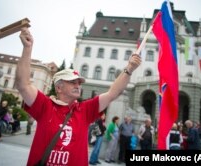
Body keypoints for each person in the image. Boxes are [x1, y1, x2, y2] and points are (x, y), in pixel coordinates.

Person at [16, 27, 141, 166]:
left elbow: (112, 93)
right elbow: (23, 85)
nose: (78, 85)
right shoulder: (45, 105)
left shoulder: (85, 109)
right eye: (72, 82)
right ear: (58, 87)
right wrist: (27, 48)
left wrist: (129, 69)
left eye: (79, 82)